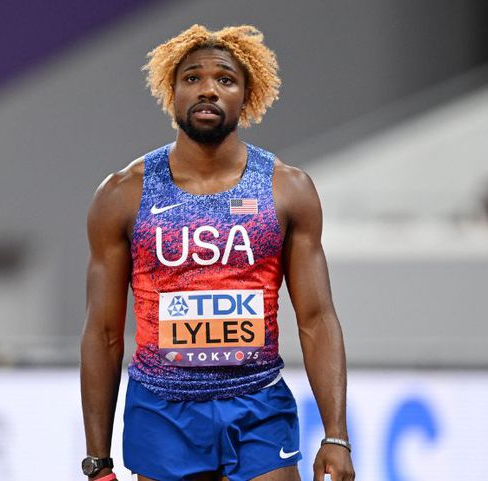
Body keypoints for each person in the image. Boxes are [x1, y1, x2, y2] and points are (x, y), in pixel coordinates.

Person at [81, 25, 354, 481]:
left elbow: (317, 319)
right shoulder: (122, 194)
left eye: (225, 79)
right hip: (162, 410)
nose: (207, 89)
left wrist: (336, 435)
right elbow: (103, 333)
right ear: (171, 92)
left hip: (259, 405)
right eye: (192, 78)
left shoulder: (287, 189)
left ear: (247, 97)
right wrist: (97, 461)